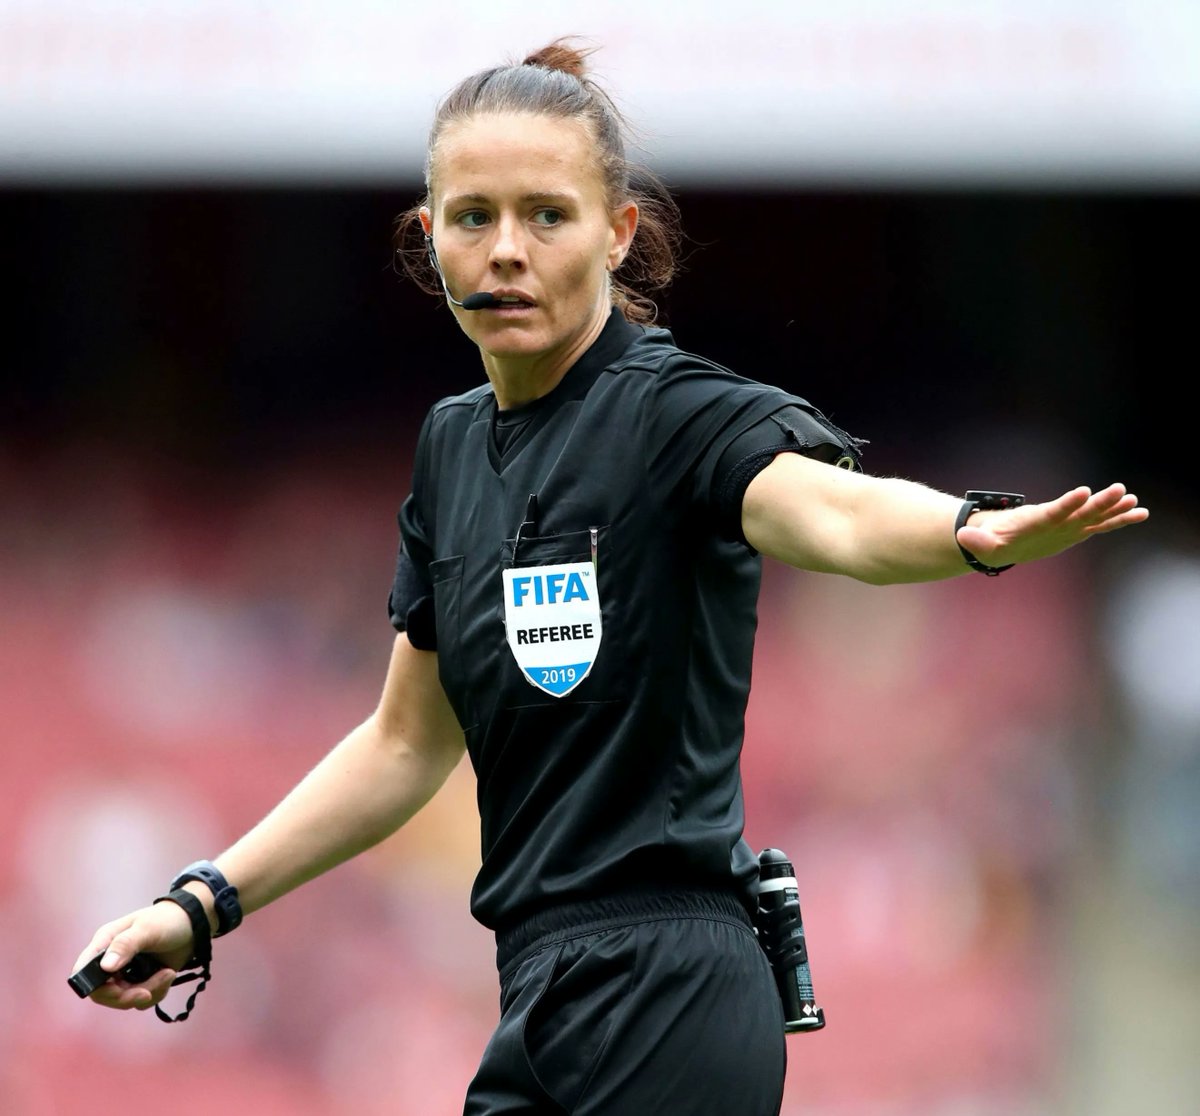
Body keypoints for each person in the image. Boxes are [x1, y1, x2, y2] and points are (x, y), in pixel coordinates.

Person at [71, 38, 1148, 1116]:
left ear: (618, 232)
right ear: (427, 236)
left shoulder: (670, 414)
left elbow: (833, 513)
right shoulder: (450, 453)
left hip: (674, 988)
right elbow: (404, 743)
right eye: (472, 216)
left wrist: (970, 529)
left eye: (548, 214)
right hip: (536, 994)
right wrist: (203, 902)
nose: (506, 251)